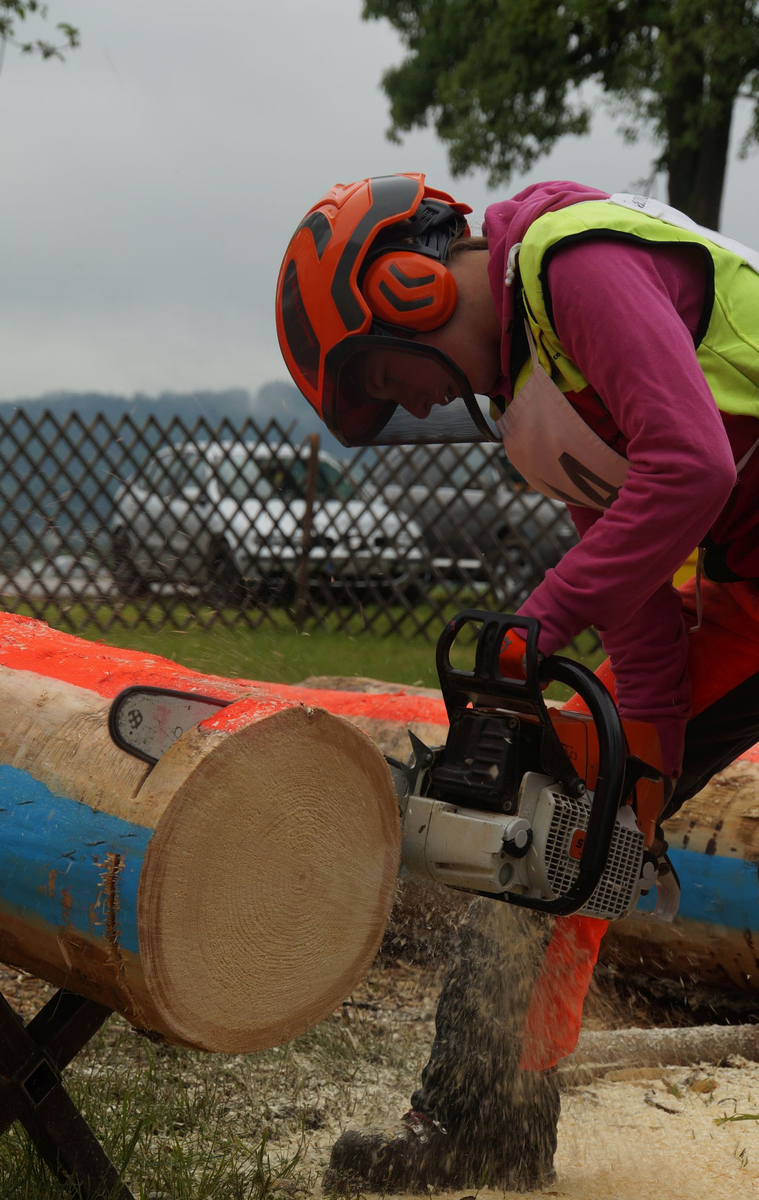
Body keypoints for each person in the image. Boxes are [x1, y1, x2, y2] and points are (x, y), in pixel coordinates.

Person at [275, 175, 759, 1192]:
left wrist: (539, 620)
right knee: (557, 828)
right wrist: (637, 765)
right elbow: (637, 597)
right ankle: (482, 1126)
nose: (412, 403)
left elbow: (691, 466)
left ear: (407, 287)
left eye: (386, 376)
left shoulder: (573, 265)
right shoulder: (535, 403)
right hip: (744, 589)